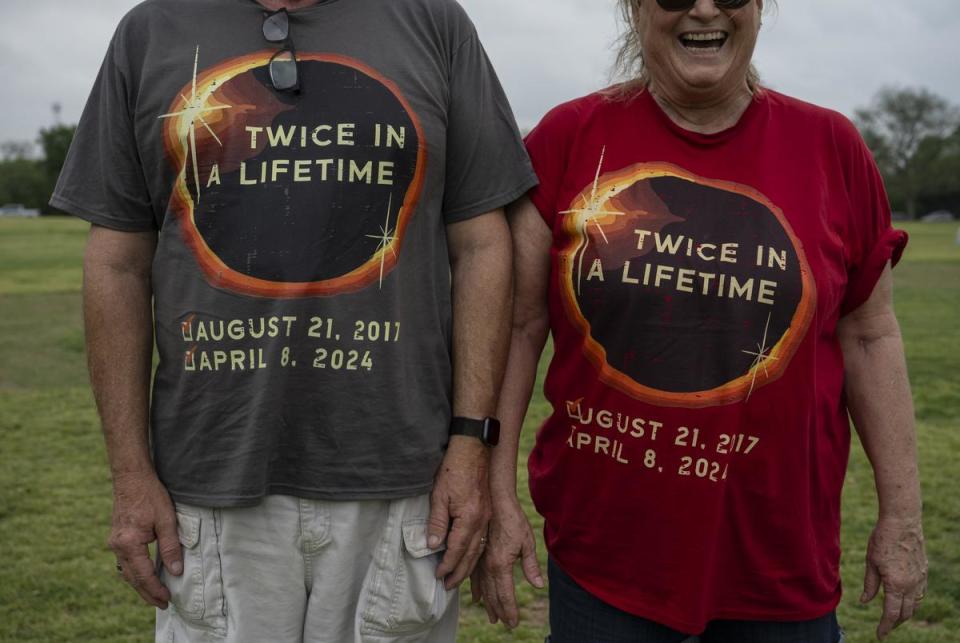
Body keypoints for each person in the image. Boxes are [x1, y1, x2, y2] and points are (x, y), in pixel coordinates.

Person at [52, 0, 537, 640]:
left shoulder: (432, 23)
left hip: (399, 480)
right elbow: (116, 263)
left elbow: (481, 245)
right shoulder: (149, 32)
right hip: (214, 480)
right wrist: (129, 476)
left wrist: (470, 449)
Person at [473, 0, 928, 641]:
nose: (706, 8)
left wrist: (902, 518)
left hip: (778, 566)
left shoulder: (833, 147)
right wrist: (497, 494)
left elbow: (870, 334)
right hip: (605, 564)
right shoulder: (568, 137)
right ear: (635, 9)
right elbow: (517, 328)